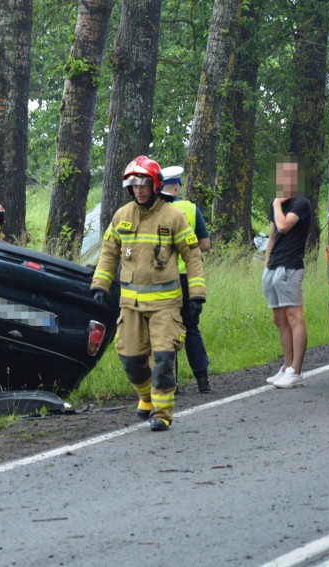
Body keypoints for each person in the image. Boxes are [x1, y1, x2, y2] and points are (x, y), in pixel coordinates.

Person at [91, 156, 206, 431]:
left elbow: (192, 255)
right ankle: (145, 396)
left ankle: (163, 412)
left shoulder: (173, 216)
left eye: (143, 184)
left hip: (166, 305)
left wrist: (197, 294)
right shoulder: (122, 216)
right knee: (130, 359)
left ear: (155, 185)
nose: (138, 190)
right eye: (133, 185)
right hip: (130, 305)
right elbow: (108, 253)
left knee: (165, 357)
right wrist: (100, 285)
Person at [159, 165, 212, 393]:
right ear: (177, 187)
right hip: (189, 279)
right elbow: (206, 245)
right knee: (191, 328)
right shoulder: (190, 209)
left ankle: (173, 383)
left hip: (165, 279)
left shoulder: (155, 211)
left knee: (167, 329)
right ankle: (203, 381)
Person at [263, 157, 311, 389]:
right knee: (279, 319)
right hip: (274, 267)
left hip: (291, 266)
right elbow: (273, 236)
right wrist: (266, 265)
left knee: (294, 317)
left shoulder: (301, 204)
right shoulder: (279, 205)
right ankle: (287, 366)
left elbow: (283, 226)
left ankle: (297, 371)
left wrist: (275, 204)